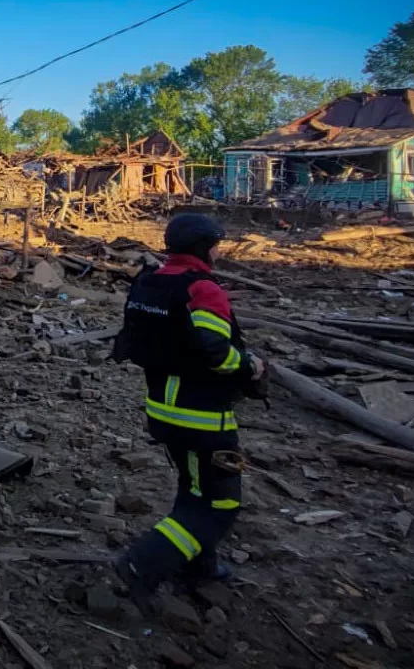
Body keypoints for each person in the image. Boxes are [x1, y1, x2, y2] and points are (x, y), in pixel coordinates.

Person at [111, 213, 265, 615]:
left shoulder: (151, 282)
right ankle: (140, 563)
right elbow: (215, 353)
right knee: (218, 506)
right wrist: (251, 366)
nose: (218, 252)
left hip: (162, 409)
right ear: (202, 247)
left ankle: (200, 566)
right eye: (215, 244)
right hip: (202, 418)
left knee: (193, 489)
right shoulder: (202, 288)